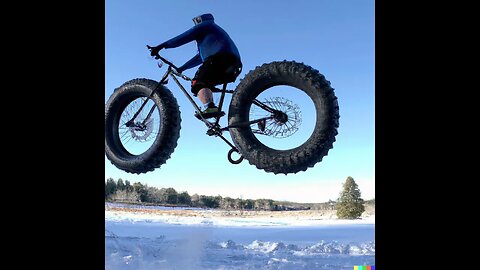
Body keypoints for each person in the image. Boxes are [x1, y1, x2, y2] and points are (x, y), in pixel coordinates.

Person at [149, 13, 242, 119]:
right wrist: (182, 68)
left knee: (197, 83)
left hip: (220, 59)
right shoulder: (213, 35)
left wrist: (162, 46)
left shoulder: (206, 25)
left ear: (199, 21)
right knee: (206, 84)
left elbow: (185, 37)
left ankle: (210, 107)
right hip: (233, 64)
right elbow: (199, 58)